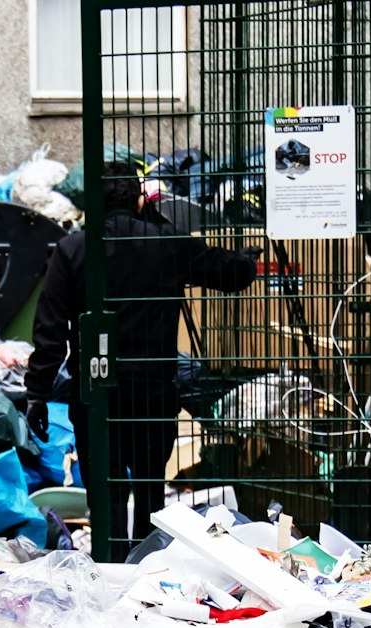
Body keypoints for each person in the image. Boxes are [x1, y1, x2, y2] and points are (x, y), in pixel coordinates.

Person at [25, 161, 259, 544]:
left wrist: (37, 393)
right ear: (138, 200)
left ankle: (109, 563)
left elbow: (49, 331)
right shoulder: (166, 243)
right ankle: (146, 564)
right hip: (152, 391)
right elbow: (232, 275)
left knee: (107, 492)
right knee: (151, 489)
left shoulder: (73, 249)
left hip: (97, 394)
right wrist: (246, 258)